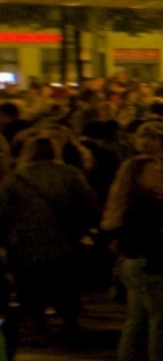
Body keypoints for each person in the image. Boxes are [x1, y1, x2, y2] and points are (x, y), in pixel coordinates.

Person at [0, 135, 100, 341]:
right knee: (65, 280)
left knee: (32, 283)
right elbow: (90, 202)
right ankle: (69, 319)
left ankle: (39, 320)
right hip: (64, 238)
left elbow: (3, 211)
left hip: (25, 241)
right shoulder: (70, 174)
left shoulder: (15, 178)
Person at [102, 155, 163, 361]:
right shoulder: (146, 202)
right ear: (138, 177)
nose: (161, 177)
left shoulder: (127, 200)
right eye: (154, 173)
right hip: (153, 263)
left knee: (137, 319)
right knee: (160, 321)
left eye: (161, 172)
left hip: (132, 264)